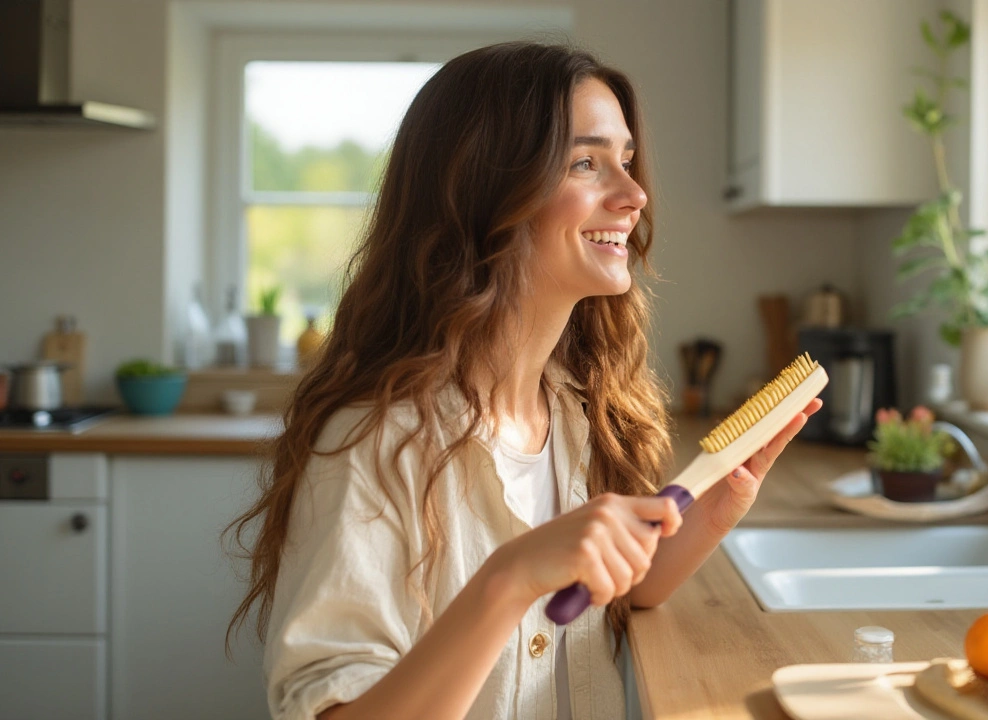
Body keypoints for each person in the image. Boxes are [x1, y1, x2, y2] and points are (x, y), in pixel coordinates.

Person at [224, 41, 820, 720]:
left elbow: (612, 593)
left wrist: (713, 511)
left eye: (625, 161)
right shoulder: (374, 442)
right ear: (484, 194)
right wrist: (508, 579)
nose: (634, 195)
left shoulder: (576, 407)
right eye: (586, 163)